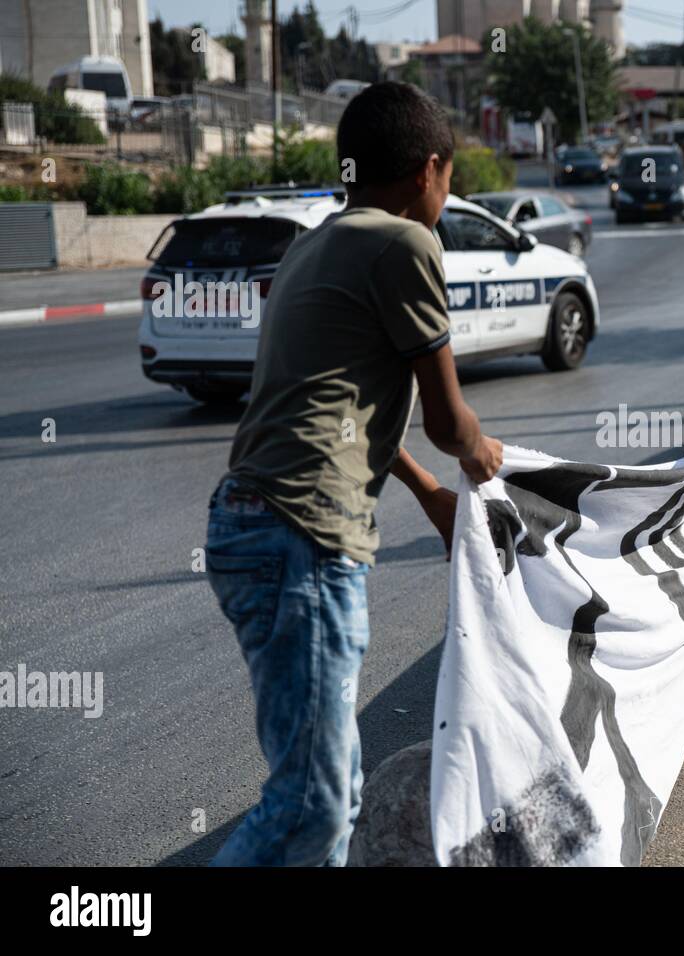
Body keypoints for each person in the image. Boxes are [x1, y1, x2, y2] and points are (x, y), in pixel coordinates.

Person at [205, 82, 503, 866]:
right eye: (450, 177)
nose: (448, 193)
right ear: (427, 170)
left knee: (330, 794)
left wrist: (423, 490)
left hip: (249, 523)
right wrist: (482, 459)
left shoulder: (317, 239)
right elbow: (447, 424)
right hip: (301, 538)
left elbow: (334, 406)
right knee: (313, 805)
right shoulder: (407, 244)